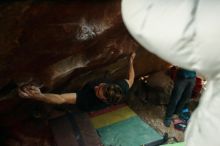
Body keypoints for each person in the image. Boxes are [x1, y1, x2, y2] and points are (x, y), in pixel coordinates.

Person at [18, 52, 136, 112]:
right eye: (101, 85)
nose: (97, 86)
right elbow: (131, 78)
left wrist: (39, 96)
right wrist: (130, 62)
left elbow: (61, 99)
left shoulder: (88, 99)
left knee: (67, 105)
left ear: (103, 99)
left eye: (98, 91)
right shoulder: (121, 87)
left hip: (81, 106)